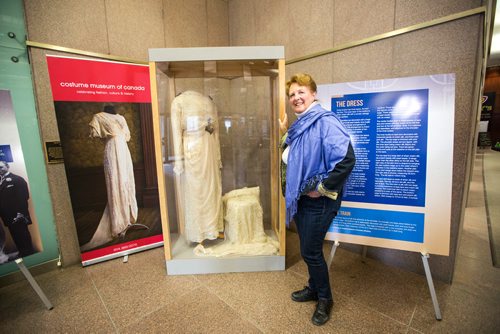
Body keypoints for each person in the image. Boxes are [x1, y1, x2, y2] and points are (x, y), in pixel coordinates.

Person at [283, 73, 355, 326]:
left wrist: (322, 187)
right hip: (302, 198)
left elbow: (347, 161)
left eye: (301, 91)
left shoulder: (326, 121)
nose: (296, 97)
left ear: (313, 93)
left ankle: (325, 298)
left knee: (311, 252)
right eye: (292, 94)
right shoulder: (301, 125)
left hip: (319, 200)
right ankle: (314, 288)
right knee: (309, 248)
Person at [81, 105, 138, 251]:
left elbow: (95, 134)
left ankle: (124, 219)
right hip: (120, 149)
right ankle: (120, 221)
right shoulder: (109, 117)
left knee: (124, 182)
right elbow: (126, 136)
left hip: (115, 149)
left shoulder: (101, 117)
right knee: (117, 182)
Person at [0, 161, 35, 258]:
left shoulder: (17, 179)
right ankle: (22, 253)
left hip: (18, 216)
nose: (0, 169)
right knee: (16, 236)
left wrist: (20, 213)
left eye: (1, 167)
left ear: (7, 166)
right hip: (8, 217)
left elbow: (24, 198)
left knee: (23, 235)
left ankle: (29, 255)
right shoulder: (1, 180)